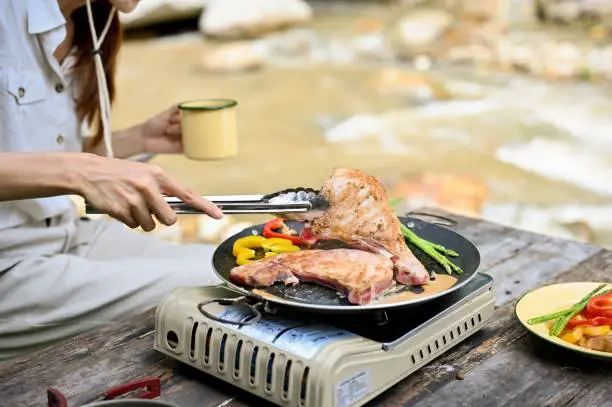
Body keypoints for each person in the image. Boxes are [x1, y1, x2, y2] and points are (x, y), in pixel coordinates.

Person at [0, 0, 225, 360]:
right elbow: (70, 169)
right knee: (229, 290)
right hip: (8, 267)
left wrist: (140, 139)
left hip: (67, 233)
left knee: (239, 268)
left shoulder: (87, 21)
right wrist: (82, 173)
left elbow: (33, 150)